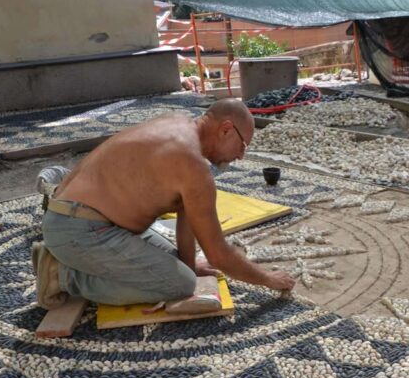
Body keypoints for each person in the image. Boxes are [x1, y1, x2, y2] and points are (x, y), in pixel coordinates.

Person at [34, 99, 295, 313]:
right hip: (79, 230)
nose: (240, 156)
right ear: (226, 129)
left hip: (74, 218)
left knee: (180, 268)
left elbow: (187, 220)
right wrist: (268, 279)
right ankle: (63, 275)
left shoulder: (176, 124)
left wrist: (189, 265)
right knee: (178, 284)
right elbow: (219, 255)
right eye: (243, 145)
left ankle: (70, 263)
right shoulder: (193, 166)